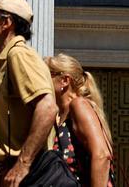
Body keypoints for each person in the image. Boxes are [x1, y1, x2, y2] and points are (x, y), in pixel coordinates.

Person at [0, 0, 58, 187]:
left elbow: (47, 107)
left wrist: (22, 164)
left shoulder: (18, 55)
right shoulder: (8, 59)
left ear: (6, 22)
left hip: (27, 174)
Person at [45, 53, 115, 187]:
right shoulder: (59, 115)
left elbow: (101, 155)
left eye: (46, 76)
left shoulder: (78, 105)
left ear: (64, 80)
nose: (40, 82)